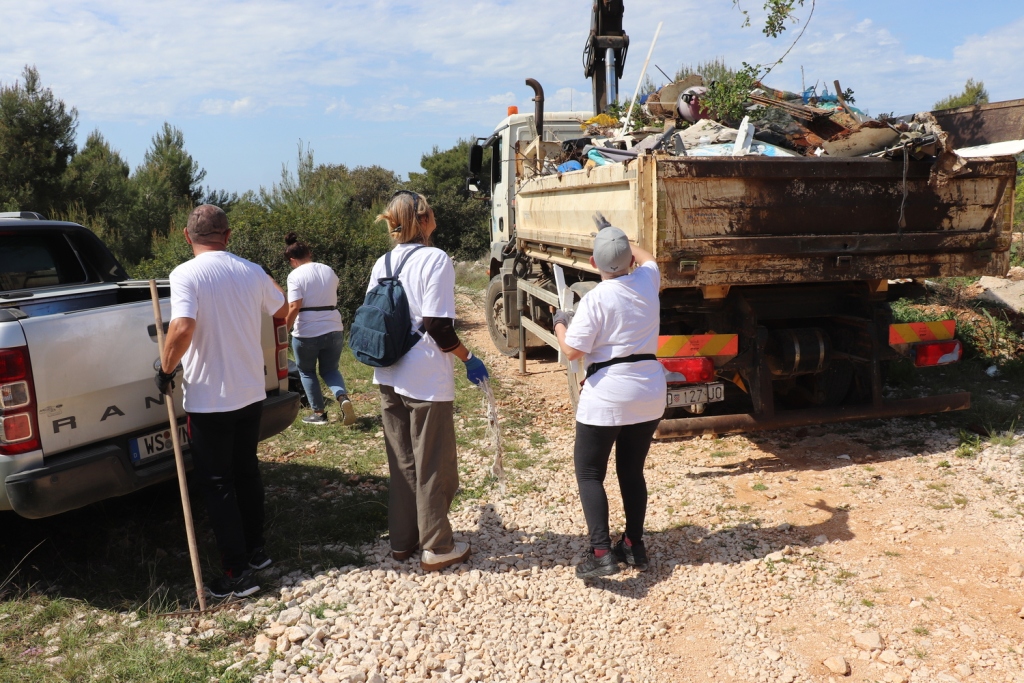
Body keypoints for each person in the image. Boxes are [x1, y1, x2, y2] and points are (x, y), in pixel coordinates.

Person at [156, 204, 287, 599]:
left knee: (218, 484)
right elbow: (283, 310)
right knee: (246, 472)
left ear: (186, 236)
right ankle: (257, 552)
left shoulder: (184, 274)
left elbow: (182, 326)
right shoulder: (251, 270)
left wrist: (164, 369)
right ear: (228, 236)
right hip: (250, 392)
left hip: (210, 397)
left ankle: (236, 572)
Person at [369, 190, 489, 572]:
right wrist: (468, 358)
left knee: (402, 461)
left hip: (388, 373)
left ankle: (403, 543)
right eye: (432, 210)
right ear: (423, 219)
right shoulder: (436, 259)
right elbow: (438, 325)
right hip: (424, 376)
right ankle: (437, 546)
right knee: (434, 463)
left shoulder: (383, 261)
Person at [553, 216, 666, 579]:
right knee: (631, 471)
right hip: (649, 392)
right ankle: (634, 544)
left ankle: (601, 552)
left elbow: (572, 351)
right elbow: (649, 259)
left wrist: (559, 320)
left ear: (592, 264)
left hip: (608, 395)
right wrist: (621, 237)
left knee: (589, 472)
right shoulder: (647, 282)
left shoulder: (595, 298)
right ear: (630, 261)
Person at [283, 232, 355, 426]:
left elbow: (294, 306)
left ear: (292, 260)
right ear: (309, 253)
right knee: (330, 369)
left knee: (306, 371)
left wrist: (285, 330)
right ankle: (342, 397)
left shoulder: (294, 275)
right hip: (334, 326)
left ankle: (319, 413)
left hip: (307, 331)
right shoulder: (327, 270)